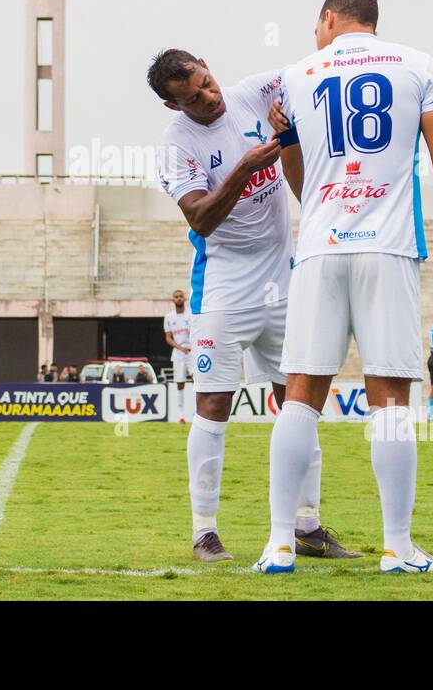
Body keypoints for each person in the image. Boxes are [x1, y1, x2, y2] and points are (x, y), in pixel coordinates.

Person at [255, 0, 433, 575]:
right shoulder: (419, 63)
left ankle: (278, 543)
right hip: (389, 245)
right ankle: (397, 546)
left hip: (321, 248)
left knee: (300, 393)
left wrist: (320, 200)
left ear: (328, 19)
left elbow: (288, 157)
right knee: (391, 400)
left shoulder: (296, 76)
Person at [152, 47, 359, 564]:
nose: (209, 96)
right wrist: (244, 166)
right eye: (193, 97)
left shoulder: (251, 93)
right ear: (172, 106)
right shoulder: (176, 146)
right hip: (222, 289)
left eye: (206, 81)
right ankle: (204, 532)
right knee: (214, 406)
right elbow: (200, 218)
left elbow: (308, 75)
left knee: (300, 400)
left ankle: (306, 525)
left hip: (284, 283)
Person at [163, 289, 194, 422]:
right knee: (180, 383)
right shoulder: (169, 317)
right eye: (176, 297)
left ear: (185, 299)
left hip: (192, 352)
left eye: (181, 296)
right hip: (178, 353)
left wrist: (192, 347)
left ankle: (197, 412)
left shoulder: (191, 314)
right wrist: (180, 347)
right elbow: (168, 338)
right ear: (173, 300)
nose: (179, 298)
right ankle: (181, 415)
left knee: (196, 380)